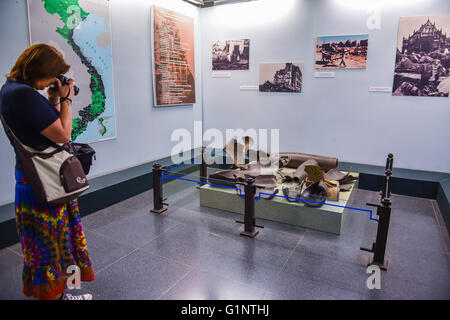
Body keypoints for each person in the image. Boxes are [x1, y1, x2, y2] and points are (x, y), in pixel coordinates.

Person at [0, 43, 94, 300]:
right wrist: (66, 100)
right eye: (52, 75)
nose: (53, 80)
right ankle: (56, 296)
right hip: (43, 184)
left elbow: (45, 128)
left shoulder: (12, 90)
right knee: (49, 251)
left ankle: (65, 295)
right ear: (37, 70)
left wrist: (53, 99)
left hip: (38, 180)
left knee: (57, 248)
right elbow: (63, 134)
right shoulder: (23, 95)